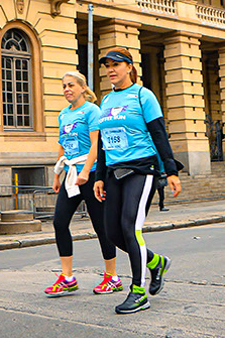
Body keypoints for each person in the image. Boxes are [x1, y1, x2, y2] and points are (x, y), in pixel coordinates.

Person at [94, 47, 181, 314]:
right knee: (112, 232)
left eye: (116, 65)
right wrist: (99, 176)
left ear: (129, 67)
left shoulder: (144, 96)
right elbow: (103, 144)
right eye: (107, 65)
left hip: (142, 169)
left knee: (130, 227)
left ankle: (139, 291)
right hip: (113, 172)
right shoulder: (106, 101)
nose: (110, 70)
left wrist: (171, 170)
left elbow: (158, 133)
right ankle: (155, 262)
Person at [45, 71, 122, 298]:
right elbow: (62, 145)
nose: (67, 89)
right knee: (59, 222)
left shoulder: (92, 111)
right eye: (64, 86)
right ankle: (67, 277)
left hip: (92, 175)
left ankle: (112, 277)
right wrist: (57, 174)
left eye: (71, 85)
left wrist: (87, 172)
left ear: (82, 87)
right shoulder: (63, 114)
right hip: (70, 175)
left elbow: (96, 144)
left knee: (101, 226)